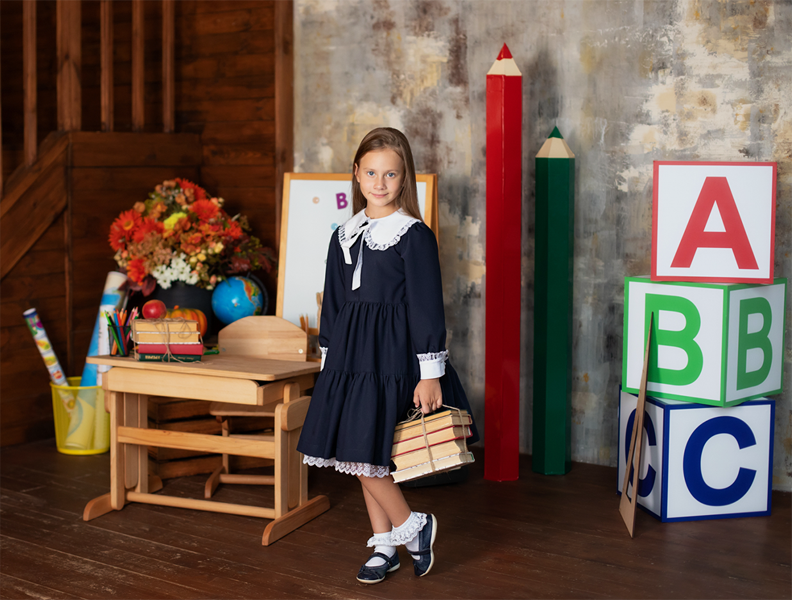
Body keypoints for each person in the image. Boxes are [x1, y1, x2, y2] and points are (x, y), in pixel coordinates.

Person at [297, 127, 478, 585]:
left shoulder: (413, 235)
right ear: (356, 173)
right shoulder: (344, 234)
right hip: (349, 360)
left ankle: (413, 529)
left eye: (391, 174)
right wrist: (328, 362)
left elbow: (426, 306)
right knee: (360, 452)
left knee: (368, 453)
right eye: (372, 172)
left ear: (404, 179)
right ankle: (386, 542)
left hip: (391, 358)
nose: (380, 183)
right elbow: (334, 305)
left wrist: (429, 372)